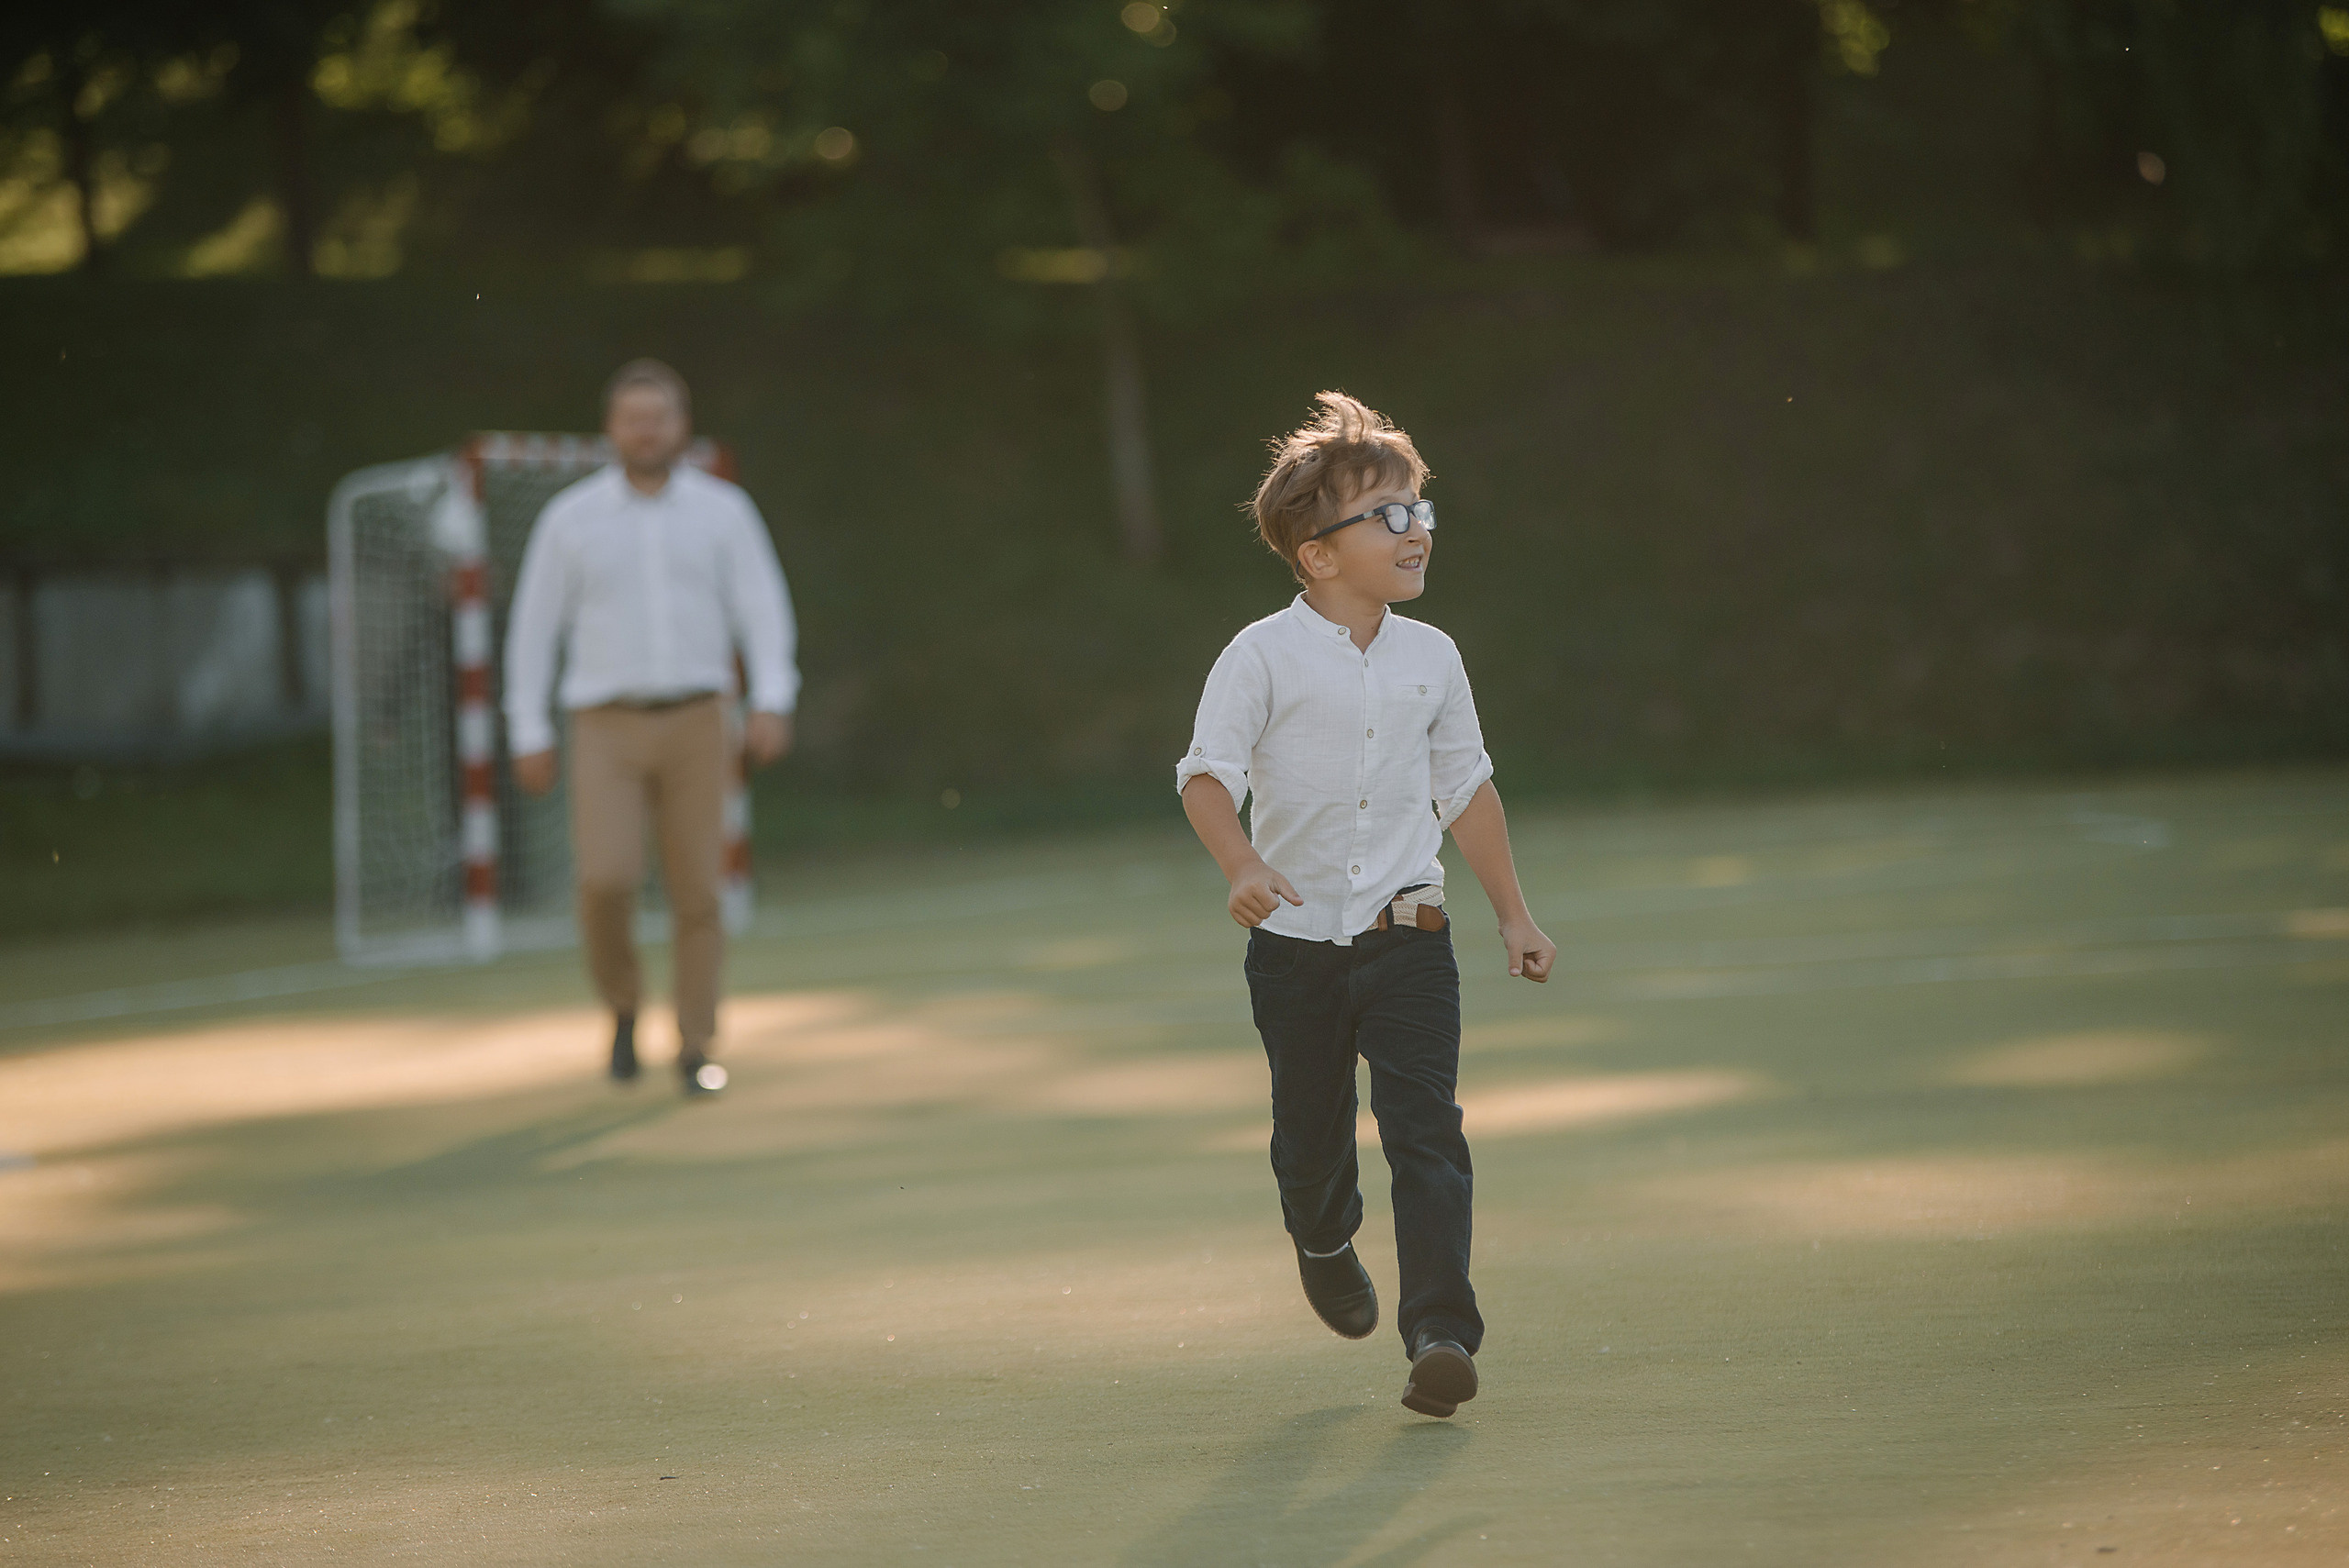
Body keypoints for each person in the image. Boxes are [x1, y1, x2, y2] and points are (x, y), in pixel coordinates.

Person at [1176, 392, 1556, 1418]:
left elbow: (1467, 790)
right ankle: (1321, 1234)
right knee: (1309, 1142)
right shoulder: (1257, 655)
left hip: (1410, 937)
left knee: (1427, 1129)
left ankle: (1440, 1331)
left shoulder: (1433, 658)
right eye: (1387, 514)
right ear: (1316, 553)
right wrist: (1241, 865)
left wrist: (1513, 913)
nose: (1416, 529)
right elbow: (1204, 776)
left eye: (1421, 509)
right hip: (1293, 948)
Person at [504, 359, 796, 1096]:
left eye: (658, 417)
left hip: (701, 718)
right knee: (606, 877)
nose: (646, 430)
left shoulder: (724, 510)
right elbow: (533, 630)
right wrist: (527, 726)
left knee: (700, 888)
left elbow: (762, 606)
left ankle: (697, 1044)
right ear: (611, 428)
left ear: (681, 426)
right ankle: (624, 1006)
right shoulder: (571, 519)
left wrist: (772, 697)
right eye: (633, 418)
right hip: (605, 722)